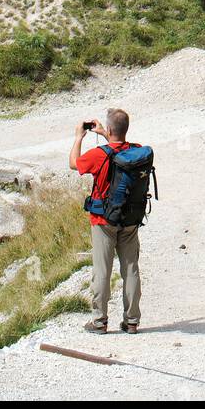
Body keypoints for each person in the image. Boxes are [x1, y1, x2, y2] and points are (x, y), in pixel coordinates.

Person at [69, 107, 142, 334]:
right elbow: (118, 147)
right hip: (130, 218)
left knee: (102, 270)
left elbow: (74, 163)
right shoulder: (137, 151)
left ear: (109, 129)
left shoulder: (99, 155)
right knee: (130, 268)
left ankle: (99, 321)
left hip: (103, 220)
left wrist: (78, 137)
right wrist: (106, 133)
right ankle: (131, 321)